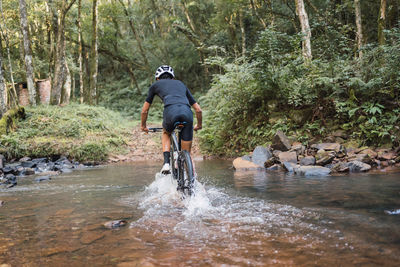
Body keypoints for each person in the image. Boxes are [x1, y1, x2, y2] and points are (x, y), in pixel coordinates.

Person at [141, 65, 202, 174]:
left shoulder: (155, 85)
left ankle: (166, 164)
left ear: (157, 78)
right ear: (172, 77)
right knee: (187, 152)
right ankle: (191, 183)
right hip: (187, 112)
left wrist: (143, 126)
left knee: (166, 132)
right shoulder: (181, 84)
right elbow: (198, 110)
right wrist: (199, 125)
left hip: (170, 112)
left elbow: (144, 110)